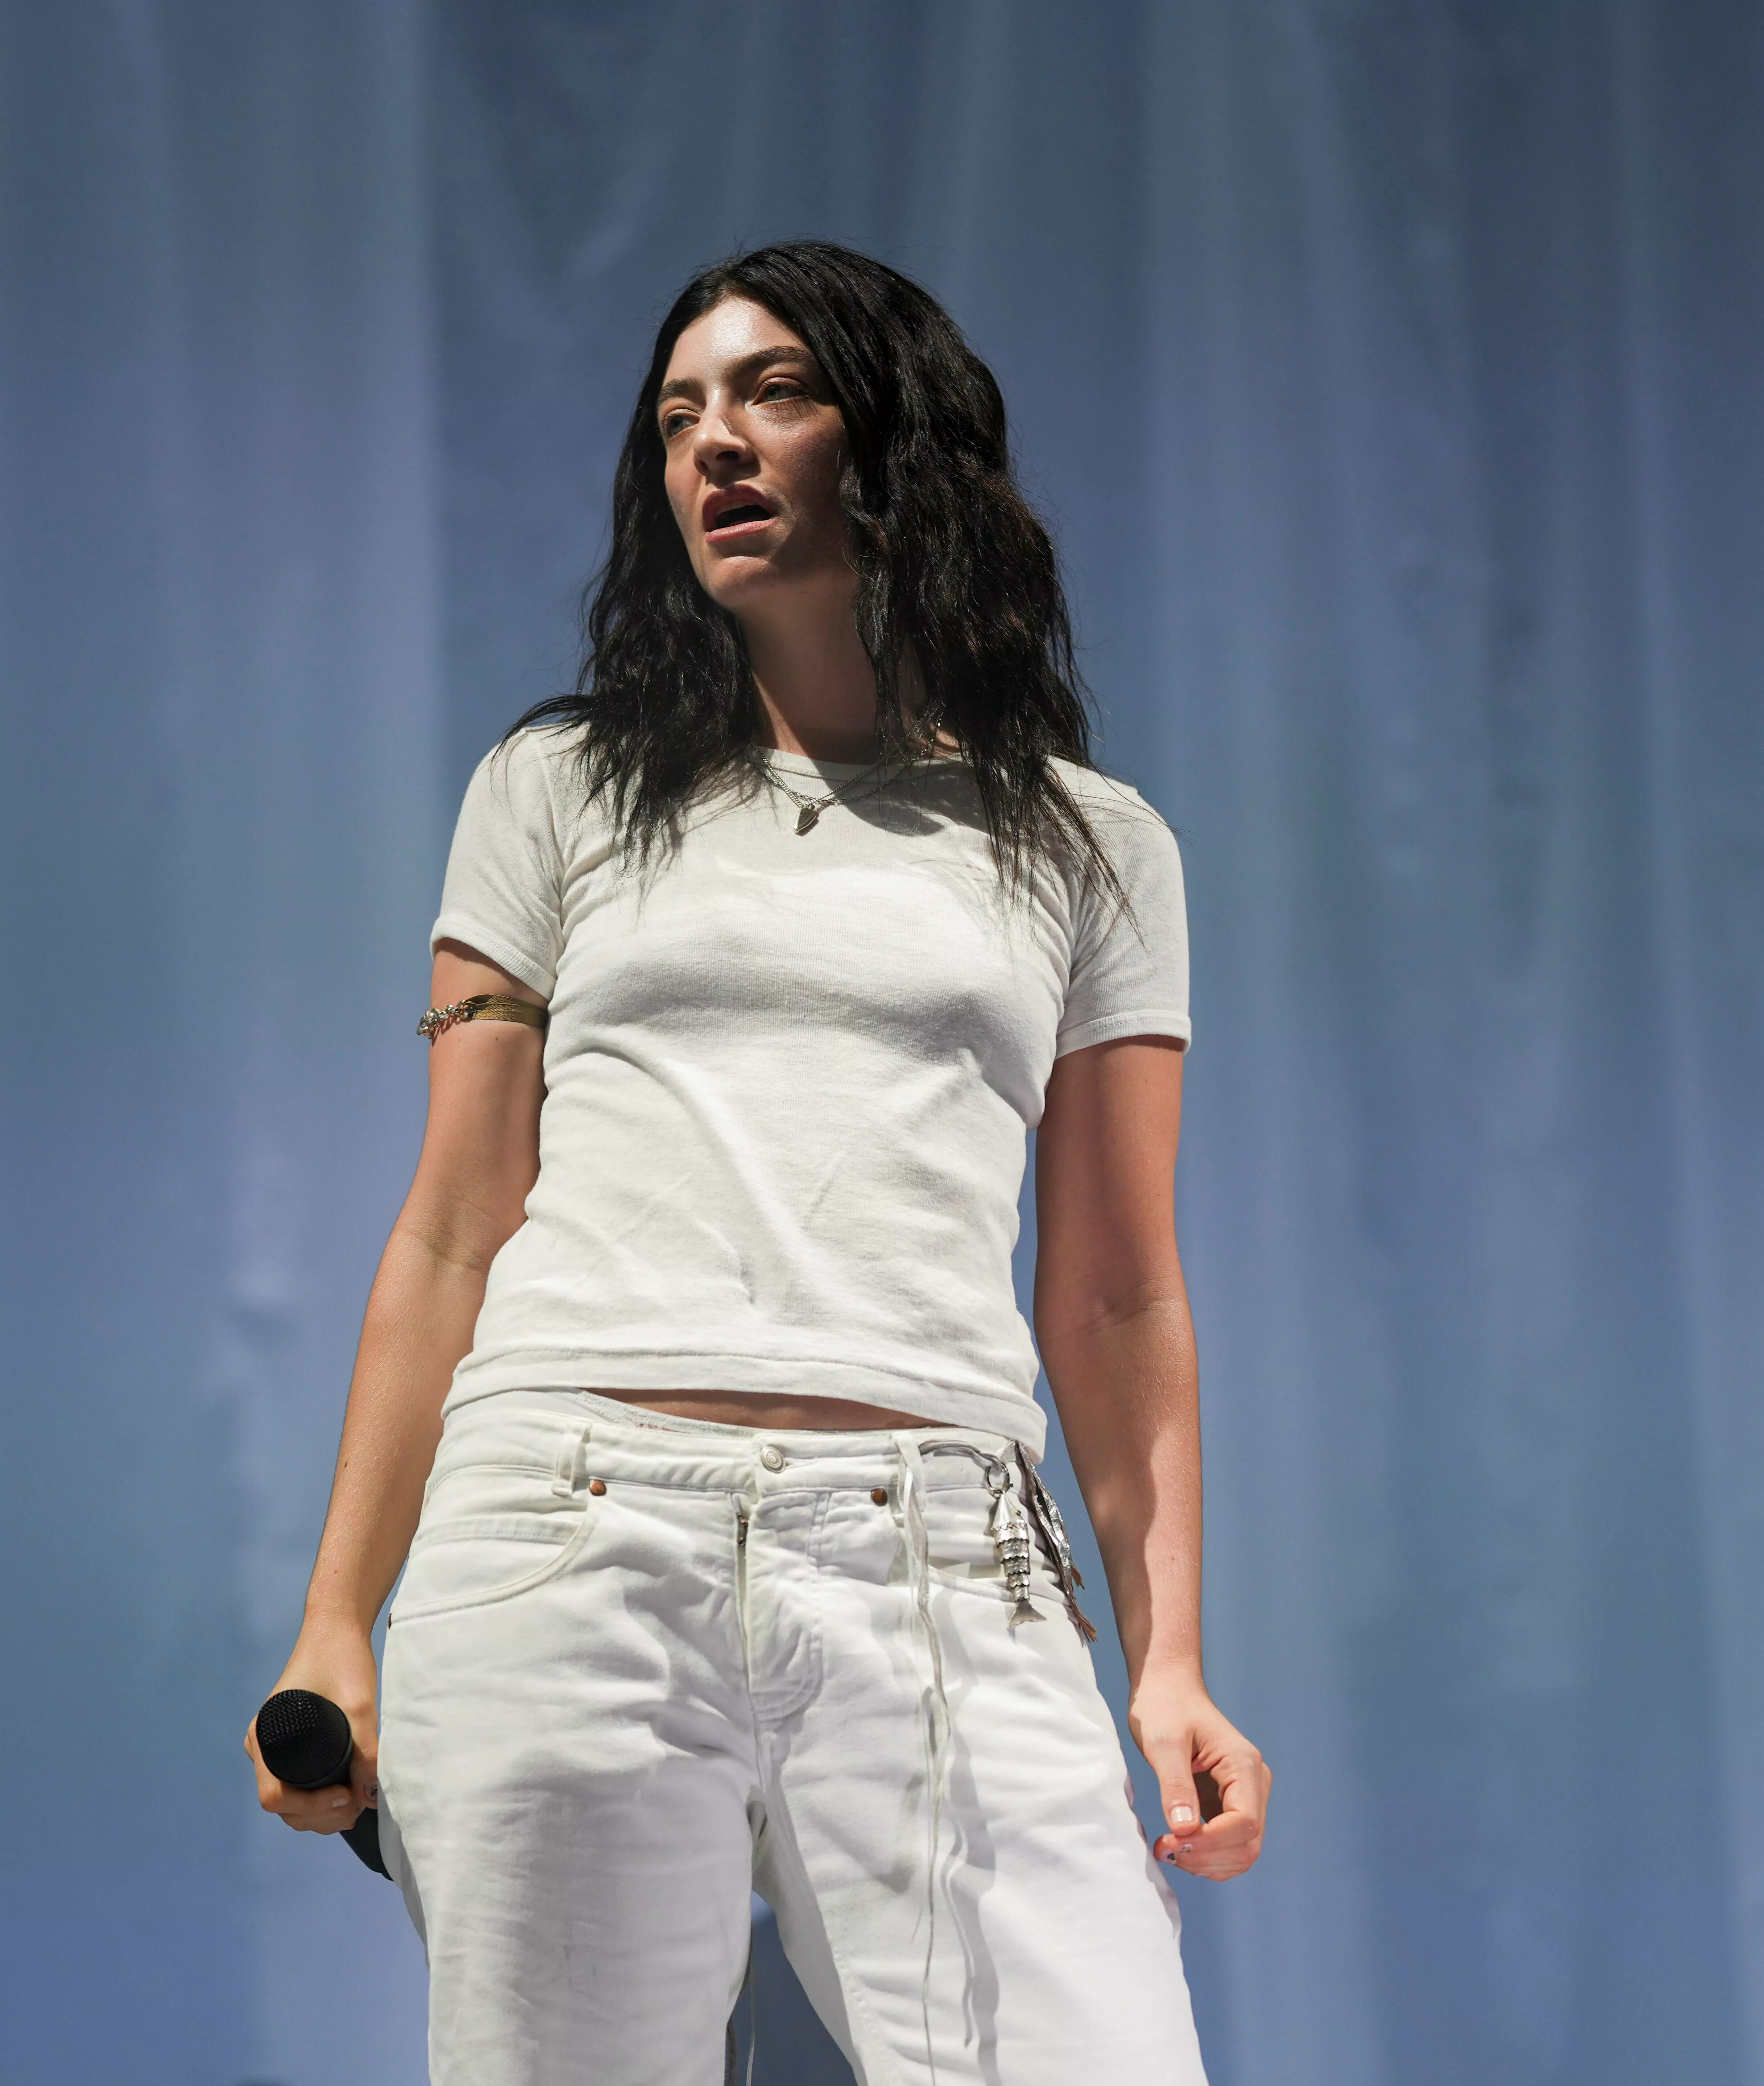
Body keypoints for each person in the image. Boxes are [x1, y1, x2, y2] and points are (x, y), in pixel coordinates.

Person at [249, 240, 1266, 2084]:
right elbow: (457, 1223)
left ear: (900, 439)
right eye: (677, 413)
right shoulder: (555, 790)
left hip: (941, 1551)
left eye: (774, 391)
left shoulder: (1094, 845)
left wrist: (1169, 1659)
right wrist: (336, 1622)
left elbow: (1118, 1288)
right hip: (565, 1524)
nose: (715, 441)